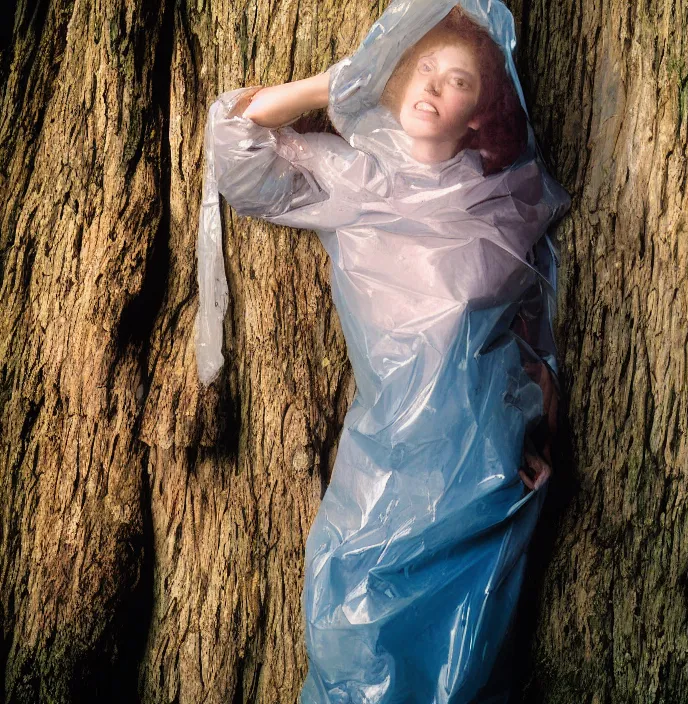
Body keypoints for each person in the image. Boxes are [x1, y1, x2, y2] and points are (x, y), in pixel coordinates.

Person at [194, 1, 570, 701]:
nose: (433, 87)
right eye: (421, 68)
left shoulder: (503, 195)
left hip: (486, 473)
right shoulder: (356, 177)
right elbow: (234, 140)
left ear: (483, 106)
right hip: (389, 461)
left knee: (467, 670)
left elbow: (528, 319)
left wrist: (537, 413)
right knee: (352, 640)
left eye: (458, 80)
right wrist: (335, 84)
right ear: (394, 78)